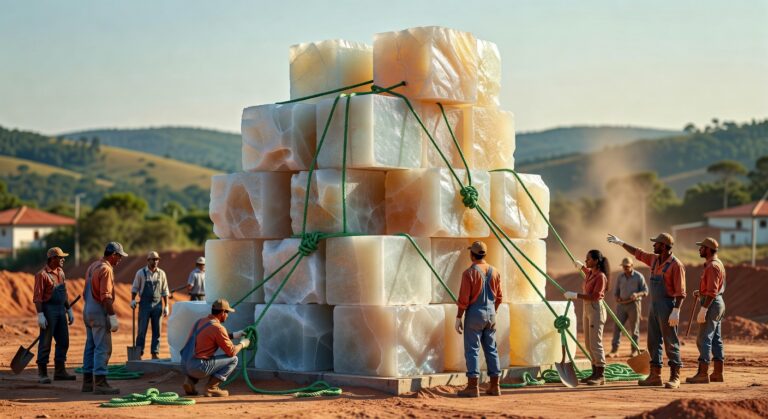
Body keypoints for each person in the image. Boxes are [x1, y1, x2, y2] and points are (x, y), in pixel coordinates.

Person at [608, 232, 686, 389]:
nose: (654, 245)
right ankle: (655, 375)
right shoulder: (655, 260)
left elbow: (681, 292)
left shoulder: (676, 265)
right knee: (653, 342)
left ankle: (675, 376)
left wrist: (676, 310)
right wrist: (621, 243)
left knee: (670, 342)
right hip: (654, 305)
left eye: (656, 243)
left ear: (663, 246)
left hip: (668, 306)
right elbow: (638, 253)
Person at [455, 241, 503, 398]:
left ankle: (472, 387)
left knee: (472, 350)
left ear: (472, 255)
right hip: (491, 314)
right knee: (491, 349)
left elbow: (464, 299)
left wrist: (458, 317)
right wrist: (492, 312)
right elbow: (499, 297)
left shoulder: (468, 273)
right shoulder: (495, 272)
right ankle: (495, 386)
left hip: (475, 315)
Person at [82, 241, 127, 395]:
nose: (120, 260)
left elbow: (84, 293)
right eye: (119, 256)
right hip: (98, 311)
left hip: (87, 309)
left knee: (90, 347)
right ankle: (100, 383)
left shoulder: (93, 266)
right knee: (103, 347)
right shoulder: (106, 269)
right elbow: (106, 297)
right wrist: (112, 316)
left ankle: (87, 383)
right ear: (113, 255)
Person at [181, 299, 249, 397]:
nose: (228, 315)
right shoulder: (218, 328)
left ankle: (190, 381)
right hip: (198, 367)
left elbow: (210, 337)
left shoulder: (200, 321)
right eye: (227, 312)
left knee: (198, 357)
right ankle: (211, 388)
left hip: (185, 364)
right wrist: (243, 344)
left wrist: (234, 335)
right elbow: (231, 352)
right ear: (222, 312)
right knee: (233, 359)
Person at [564, 249, 610, 385]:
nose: (586, 261)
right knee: (588, 344)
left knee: (595, 343)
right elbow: (587, 272)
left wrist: (576, 295)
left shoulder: (601, 276)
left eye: (588, 259)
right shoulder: (591, 273)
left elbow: (596, 296)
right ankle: (594, 372)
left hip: (596, 308)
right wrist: (582, 267)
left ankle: (601, 375)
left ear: (596, 261)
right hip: (587, 308)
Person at [686, 237, 726, 384]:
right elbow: (712, 288)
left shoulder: (712, 267)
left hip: (712, 304)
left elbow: (713, 291)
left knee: (703, 339)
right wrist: (701, 292)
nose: (699, 249)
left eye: (702, 247)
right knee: (715, 339)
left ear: (708, 249)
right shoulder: (717, 263)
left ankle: (703, 374)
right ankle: (717, 373)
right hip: (717, 303)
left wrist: (703, 308)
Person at [33, 247, 76, 383]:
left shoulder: (61, 273)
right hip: (48, 310)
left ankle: (60, 371)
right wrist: (40, 314)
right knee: (45, 342)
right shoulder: (42, 275)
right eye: (60, 257)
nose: (63, 259)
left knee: (64, 341)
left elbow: (64, 293)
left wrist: (68, 309)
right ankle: (42, 373)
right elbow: (38, 297)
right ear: (52, 259)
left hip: (60, 310)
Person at [129, 251, 170, 360]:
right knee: (142, 330)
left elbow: (165, 291)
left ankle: (155, 353)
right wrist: (132, 300)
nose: (156, 261)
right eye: (153, 259)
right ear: (148, 260)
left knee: (157, 331)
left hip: (158, 305)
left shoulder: (162, 273)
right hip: (144, 305)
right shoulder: (141, 273)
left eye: (157, 259)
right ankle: (139, 353)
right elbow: (135, 288)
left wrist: (166, 306)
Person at [608, 258, 648, 358]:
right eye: (623, 266)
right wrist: (617, 297)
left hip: (634, 305)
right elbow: (616, 291)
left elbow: (645, 291)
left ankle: (634, 350)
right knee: (617, 327)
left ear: (632, 266)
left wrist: (637, 294)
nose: (625, 268)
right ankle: (614, 350)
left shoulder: (639, 276)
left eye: (627, 266)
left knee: (634, 329)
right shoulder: (620, 277)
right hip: (621, 305)